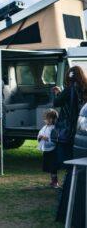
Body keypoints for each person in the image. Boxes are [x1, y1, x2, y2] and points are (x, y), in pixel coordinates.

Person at [54, 66, 87, 224]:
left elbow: (56, 102)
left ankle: (66, 197)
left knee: (68, 166)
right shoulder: (84, 89)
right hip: (80, 134)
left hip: (67, 133)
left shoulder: (68, 90)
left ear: (69, 76)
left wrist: (57, 92)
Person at [37, 109, 59, 188]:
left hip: (52, 150)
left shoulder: (54, 129)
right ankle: (52, 180)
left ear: (53, 119)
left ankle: (55, 182)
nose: (47, 120)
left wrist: (47, 139)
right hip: (46, 149)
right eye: (46, 118)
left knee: (53, 166)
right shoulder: (44, 127)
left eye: (49, 118)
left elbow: (54, 140)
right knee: (49, 166)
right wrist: (40, 137)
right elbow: (40, 134)